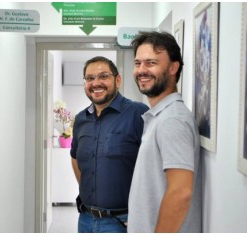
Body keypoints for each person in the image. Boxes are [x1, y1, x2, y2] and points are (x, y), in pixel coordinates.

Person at [127, 31, 202, 233]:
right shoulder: (160, 116)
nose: (141, 70)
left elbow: (181, 191)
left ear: (173, 67)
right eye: (137, 63)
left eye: (151, 63)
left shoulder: (172, 120)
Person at [70, 56, 149, 233]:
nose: (96, 83)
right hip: (85, 219)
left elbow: (155, 166)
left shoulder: (138, 114)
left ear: (117, 80)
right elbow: (75, 158)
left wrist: (143, 216)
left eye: (103, 76)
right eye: (90, 78)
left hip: (123, 221)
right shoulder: (81, 119)